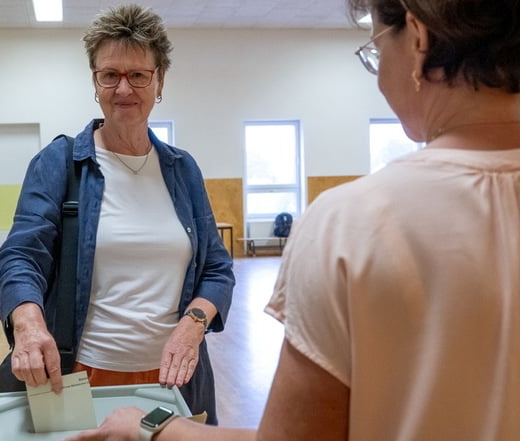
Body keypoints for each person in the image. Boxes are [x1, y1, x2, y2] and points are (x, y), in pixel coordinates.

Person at [64, 0, 520, 439]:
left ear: (417, 39)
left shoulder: (351, 225)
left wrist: (155, 431)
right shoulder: (64, 163)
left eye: (376, 51)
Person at [0, 3, 234, 425]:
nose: (124, 89)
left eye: (138, 75)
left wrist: (194, 325)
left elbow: (217, 268)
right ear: (95, 81)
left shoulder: (183, 170)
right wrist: (29, 322)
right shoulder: (60, 163)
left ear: (160, 80)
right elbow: (21, 256)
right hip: (81, 376)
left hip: (176, 377)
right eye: (110, 75)